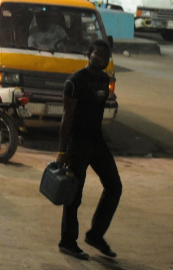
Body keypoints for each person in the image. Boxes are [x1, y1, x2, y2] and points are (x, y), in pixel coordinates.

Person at [56, 39, 122, 260]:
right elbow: (67, 118)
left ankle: (95, 234)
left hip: (96, 141)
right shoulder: (75, 82)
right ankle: (67, 241)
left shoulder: (105, 80)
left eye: (106, 55)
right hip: (78, 143)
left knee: (114, 186)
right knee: (74, 194)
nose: (103, 58)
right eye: (98, 53)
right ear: (88, 54)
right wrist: (62, 151)